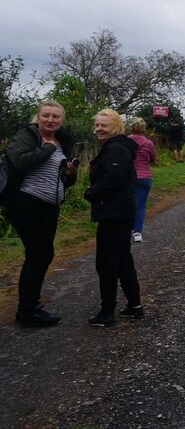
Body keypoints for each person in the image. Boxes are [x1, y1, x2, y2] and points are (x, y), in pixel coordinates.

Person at [2, 100, 78, 327]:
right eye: (46, 115)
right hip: (27, 202)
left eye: (56, 117)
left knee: (42, 255)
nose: (50, 120)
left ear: (61, 120)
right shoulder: (28, 136)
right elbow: (20, 161)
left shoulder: (61, 141)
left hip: (50, 205)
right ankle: (27, 311)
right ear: (38, 116)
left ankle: (31, 306)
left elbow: (65, 181)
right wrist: (47, 148)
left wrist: (69, 173)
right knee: (39, 254)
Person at [84, 108, 143, 326]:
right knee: (122, 258)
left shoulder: (116, 148)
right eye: (97, 125)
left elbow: (113, 178)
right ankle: (134, 305)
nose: (99, 129)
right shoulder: (118, 146)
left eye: (104, 125)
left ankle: (107, 312)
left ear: (116, 127)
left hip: (114, 214)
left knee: (107, 262)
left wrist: (91, 192)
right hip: (120, 212)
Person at [128, 117, 157, 243]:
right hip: (145, 177)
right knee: (140, 206)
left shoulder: (126, 141)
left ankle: (127, 228)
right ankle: (137, 232)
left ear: (131, 128)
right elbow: (154, 159)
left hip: (129, 177)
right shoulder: (148, 143)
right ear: (144, 129)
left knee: (127, 205)